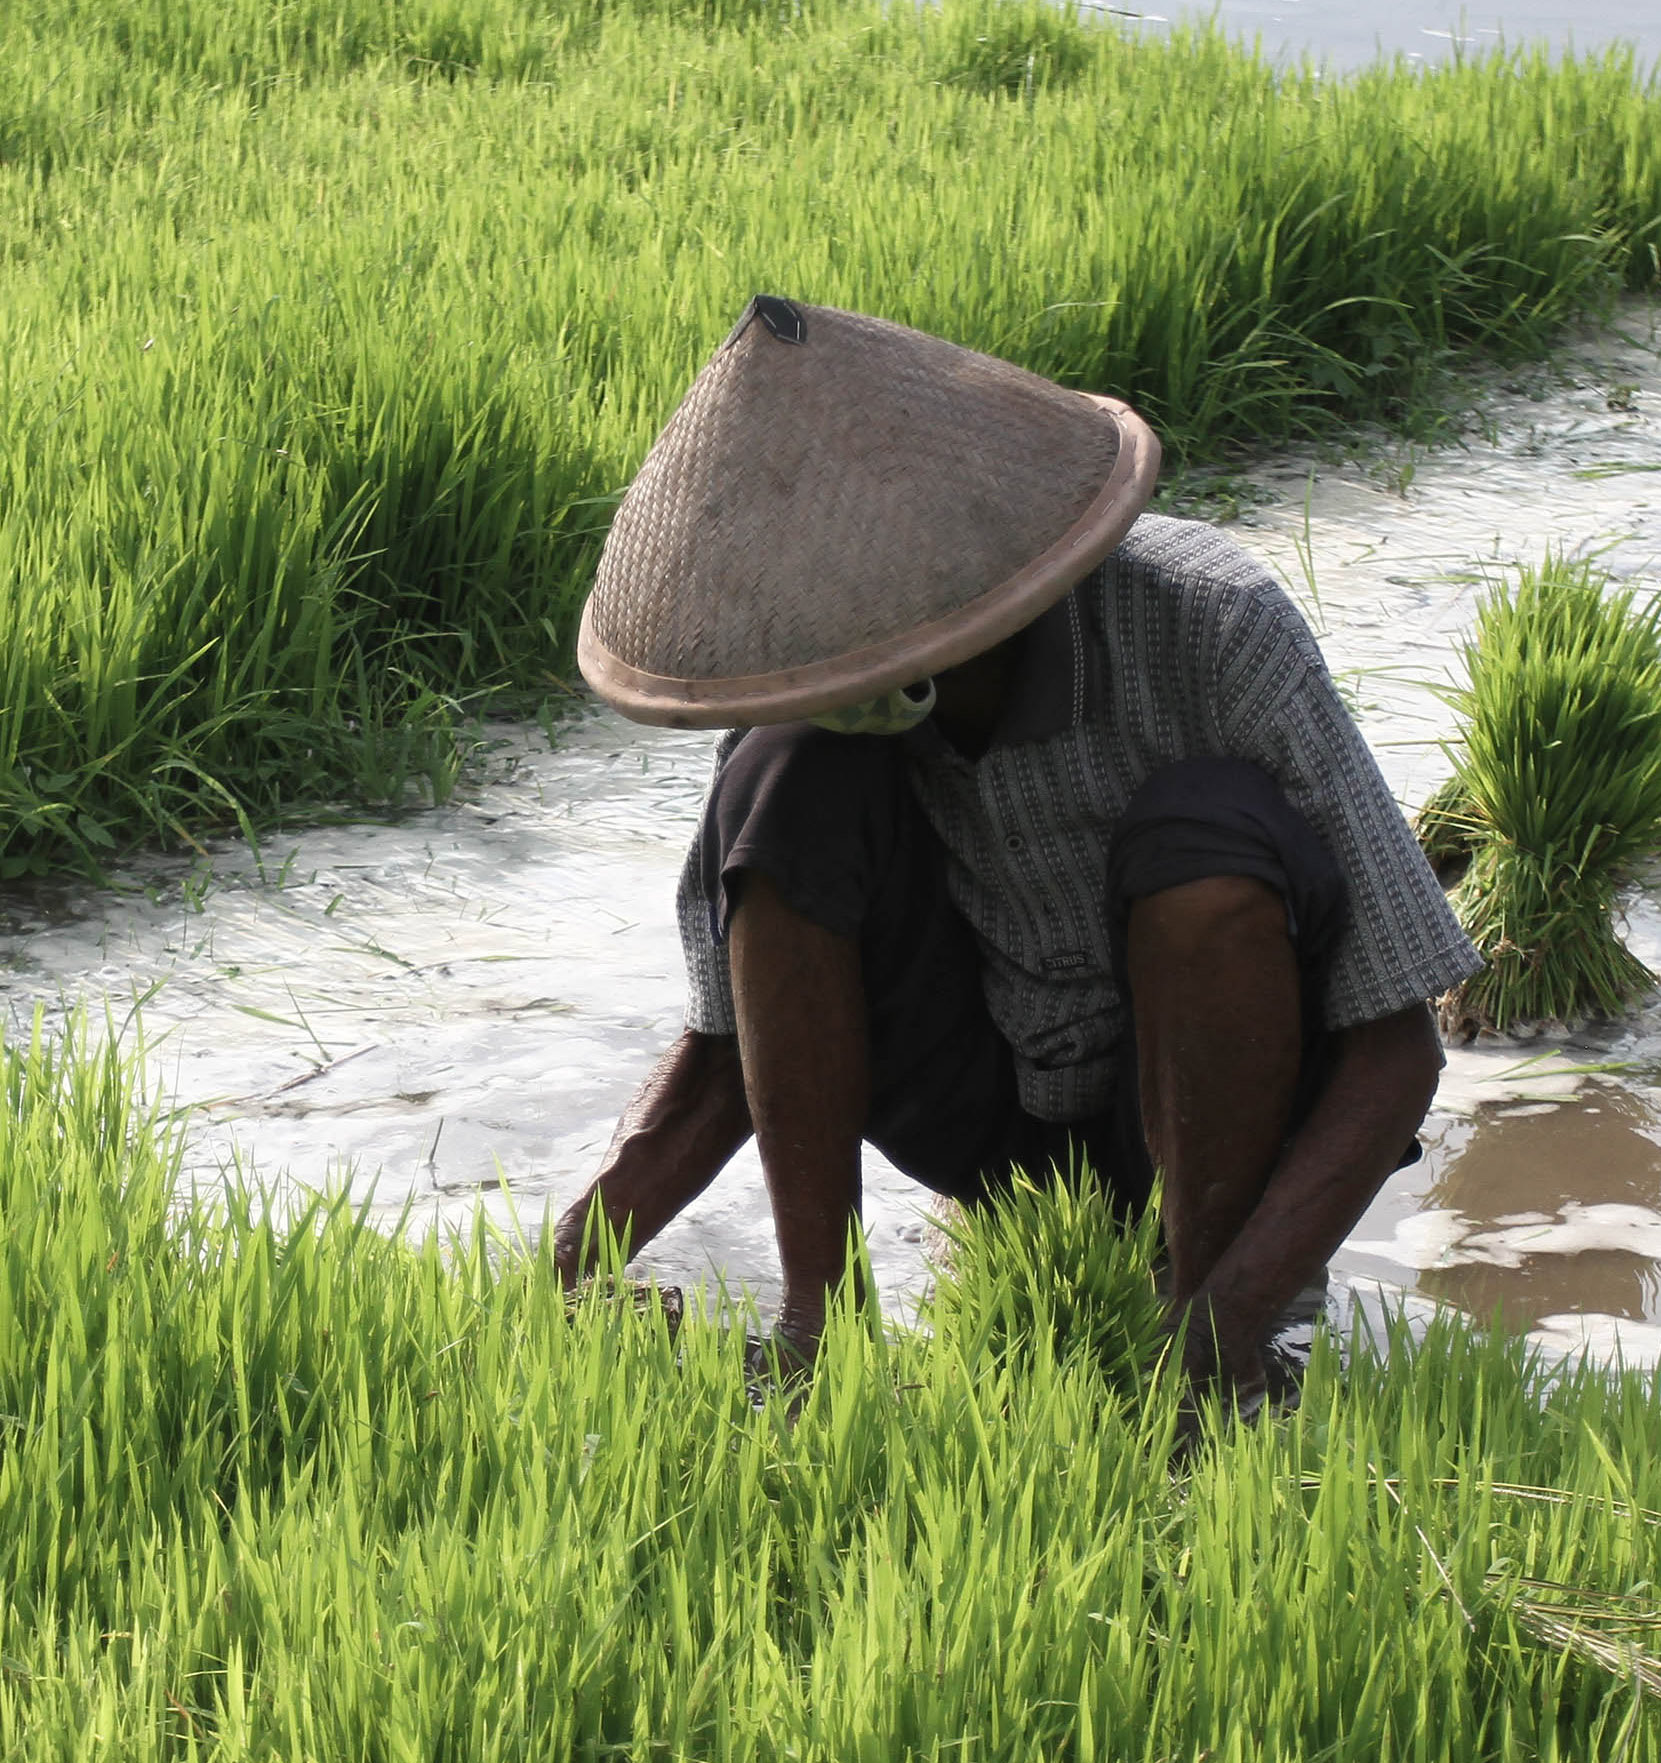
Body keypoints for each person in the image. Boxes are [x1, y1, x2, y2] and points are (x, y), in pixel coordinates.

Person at [547, 297, 1480, 1418]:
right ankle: (819, 1328)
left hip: (1211, 1113)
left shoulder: (1211, 626)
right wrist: (570, 1263)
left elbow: (1394, 1046)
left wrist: (1228, 1320)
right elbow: (727, 1052)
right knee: (785, 779)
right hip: (986, 1109)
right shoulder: (810, 704)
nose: (825, 666)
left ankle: (1196, 1311)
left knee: (1202, 840)